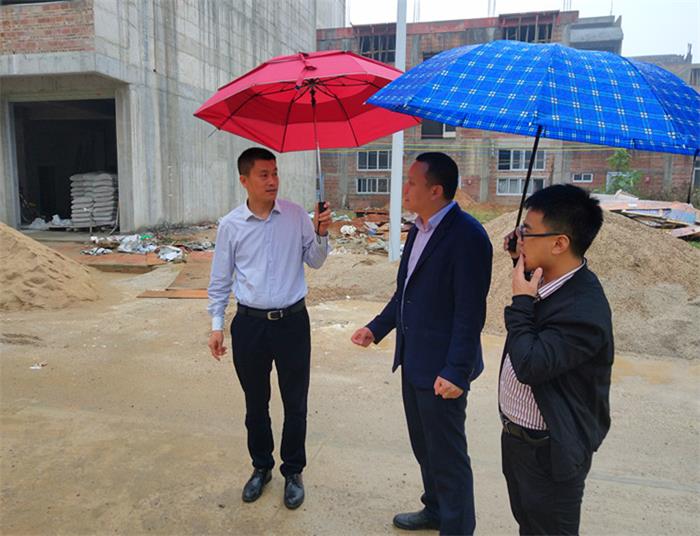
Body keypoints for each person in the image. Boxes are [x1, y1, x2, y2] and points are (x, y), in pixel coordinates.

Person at [351, 152, 492, 535]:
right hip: (414, 361)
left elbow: (470, 313)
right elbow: (406, 293)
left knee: (448, 456)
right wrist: (376, 328)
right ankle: (435, 510)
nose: (405, 189)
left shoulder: (467, 236)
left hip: (443, 371)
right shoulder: (419, 228)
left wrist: (456, 372)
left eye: (412, 182)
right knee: (425, 448)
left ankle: (457, 528)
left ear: (436, 190)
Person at [207, 147, 331, 509]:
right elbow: (220, 280)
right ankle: (261, 467)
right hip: (250, 325)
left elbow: (316, 261)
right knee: (255, 403)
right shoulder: (231, 225)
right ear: (244, 180)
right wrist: (216, 325)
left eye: (275, 172)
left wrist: (321, 233)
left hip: (292, 322)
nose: (273, 180)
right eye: (264, 174)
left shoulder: (295, 216)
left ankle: (293, 471)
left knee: (296, 402)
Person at [499, 184, 614, 535]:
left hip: (550, 452)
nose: (519, 239)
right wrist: (520, 256)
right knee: (528, 526)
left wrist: (521, 303)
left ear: (560, 243)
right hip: (518, 441)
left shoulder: (584, 309)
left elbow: (530, 365)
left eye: (527, 232)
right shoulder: (548, 280)